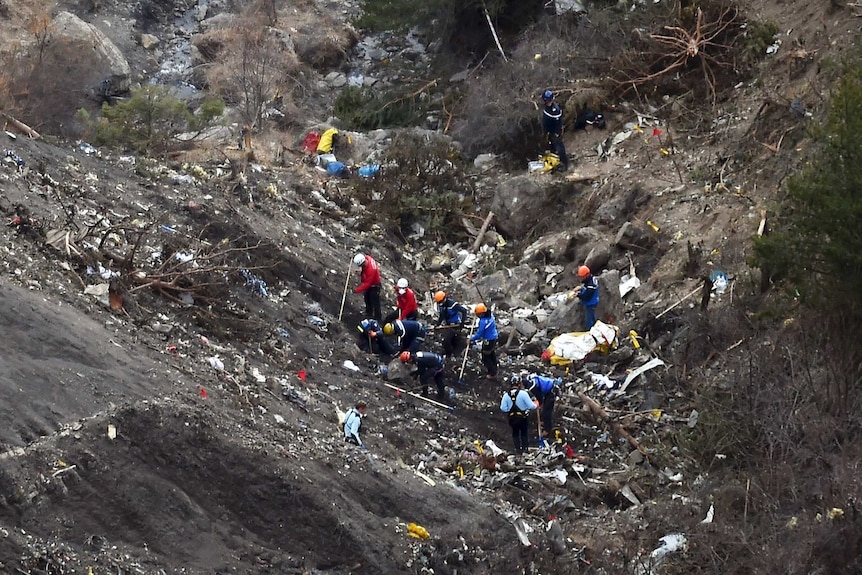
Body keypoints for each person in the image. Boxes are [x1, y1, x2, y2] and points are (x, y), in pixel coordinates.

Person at [500, 377, 537, 454]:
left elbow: (503, 408)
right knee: (524, 432)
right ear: (519, 384)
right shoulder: (523, 394)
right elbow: (531, 406)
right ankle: (525, 449)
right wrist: (536, 404)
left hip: (512, 418)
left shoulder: (506, 395)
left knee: (515, 433)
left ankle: (518, 450)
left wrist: (510, 410)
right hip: (522, 418)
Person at [523, 373, 562, 438]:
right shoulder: (530, 379)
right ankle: (545, 422)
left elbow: (539, 396)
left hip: (551, 392)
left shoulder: (532, 387)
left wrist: (539, 403)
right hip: (548, 389)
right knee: (544, 409)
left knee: (546, 412)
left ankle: (547, 429)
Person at [541, 90, 569, 173]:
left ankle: (565, 164)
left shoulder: (555, 110)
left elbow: (557, 123)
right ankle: (555, 162)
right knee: (552, 146)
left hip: (555, 132)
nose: (547, 102)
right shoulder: (547, 108)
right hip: (549, 131)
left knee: (559, 147)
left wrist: (557, 133)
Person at [433, 291, 468, 358]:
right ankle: (449, 351)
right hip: (448, 324)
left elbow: (464, 311)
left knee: (447, 339)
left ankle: (452, 353)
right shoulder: (441, 306)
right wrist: (438, 324)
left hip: (455, 324)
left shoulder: (452, 304)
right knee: (449, 340)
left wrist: (462, 322)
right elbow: (442, 315)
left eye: (440, 302)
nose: (440, 304)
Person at [469, 303, 499, 380]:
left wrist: (471, 339)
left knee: (485, 356)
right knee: (491, 354)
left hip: (488, 339)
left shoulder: (483, 322)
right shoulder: (490, 316)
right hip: (494, 337)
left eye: (478, 314)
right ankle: (494, 370)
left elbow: (479, 334)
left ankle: (492, 373)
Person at [353, 253, 382, 321]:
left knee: (375, 302)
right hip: (371, 284)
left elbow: (367, 284)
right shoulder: (368, 258)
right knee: (367, 298)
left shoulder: (371, 270)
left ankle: (378, 318)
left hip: (375, 286)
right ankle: (369, 313)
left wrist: (357, 290)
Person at [577, 265, 599, 330]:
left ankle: (590, 332)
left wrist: (578, 295)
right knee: (592, 317)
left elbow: (587, 296)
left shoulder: (591, 285)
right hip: (593, 301)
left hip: (591, 303)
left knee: (589, 320)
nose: (581, 279)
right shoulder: (591, 279)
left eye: (582, 277)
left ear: (586, 275)